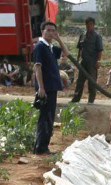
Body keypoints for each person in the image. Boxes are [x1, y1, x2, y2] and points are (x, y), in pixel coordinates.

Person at [32, 18, 68, 154]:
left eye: (53, 31)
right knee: (45, 117)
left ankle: (42, 146)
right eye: (48, 30)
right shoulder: (40, 47)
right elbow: (38, 68)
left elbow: (66, 53)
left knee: (49, 117)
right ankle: (41, 148)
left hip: (52, 86)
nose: (51, 33)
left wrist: (59, 39)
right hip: (45, 88)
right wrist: (41, 87)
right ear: (43, 32)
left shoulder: (51, 47)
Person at [71, 17, 104, 103]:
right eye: (87, 24)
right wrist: (77, 60)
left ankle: (91, 100)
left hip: (92, 63)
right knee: (80, 82)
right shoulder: (82, 36)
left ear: (93, 25)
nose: (88, 26)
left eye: (90, 24)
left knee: (92, 82)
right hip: (83, 62)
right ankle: (76, 99)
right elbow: (80, 49)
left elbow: (100, 50)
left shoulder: (97, 37)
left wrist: (98, 61)